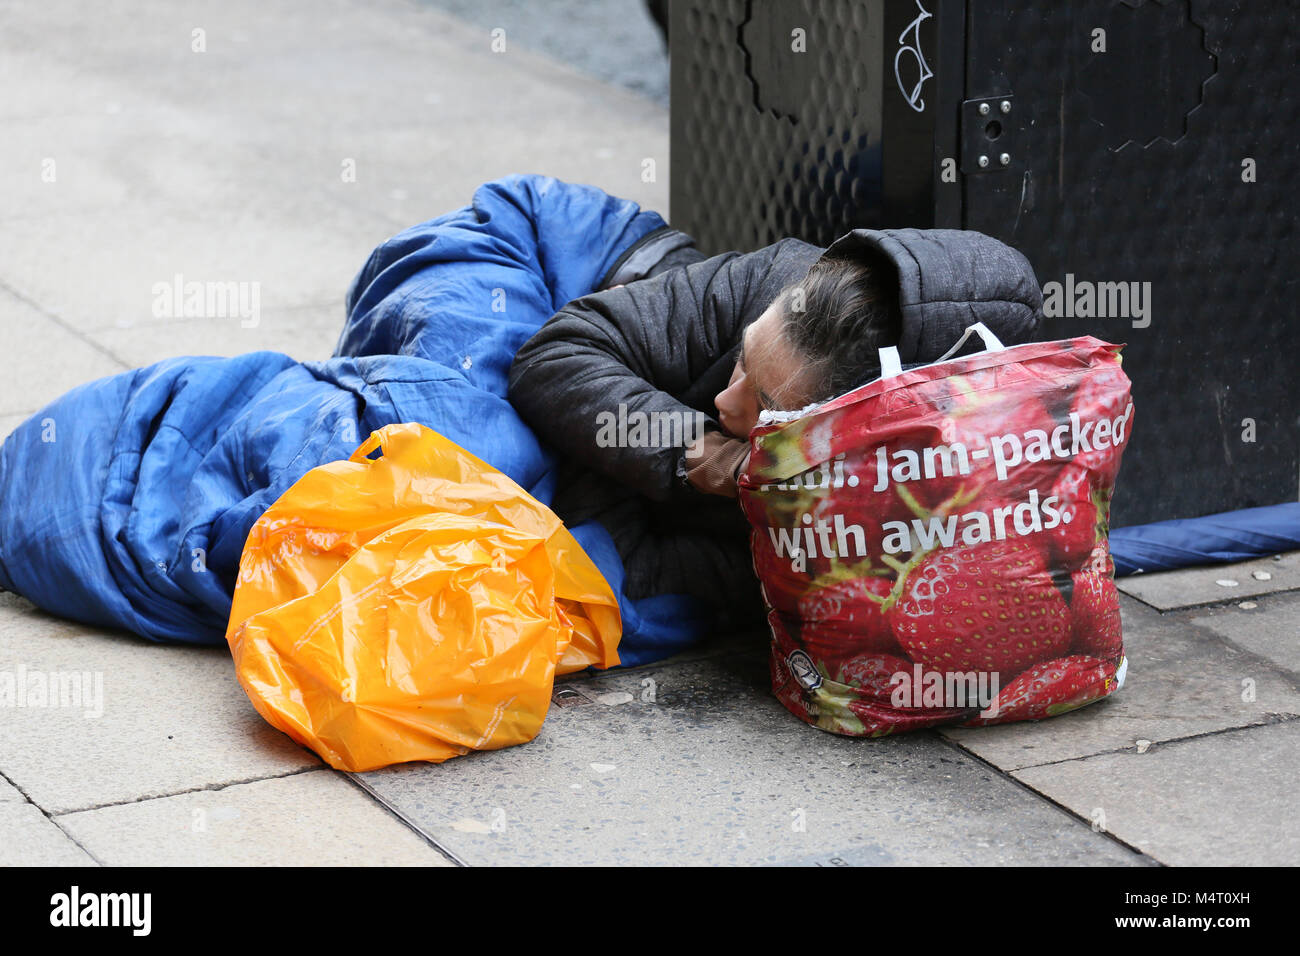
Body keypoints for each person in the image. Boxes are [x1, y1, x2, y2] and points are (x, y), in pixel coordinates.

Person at [508, 222, 1044, 625]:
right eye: (744, 356)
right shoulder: (775, 280)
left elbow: (629, 570)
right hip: (570, 240)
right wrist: (698, 451)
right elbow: (555, 354)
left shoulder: (836, 540)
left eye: (764, 403)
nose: (724, 398)